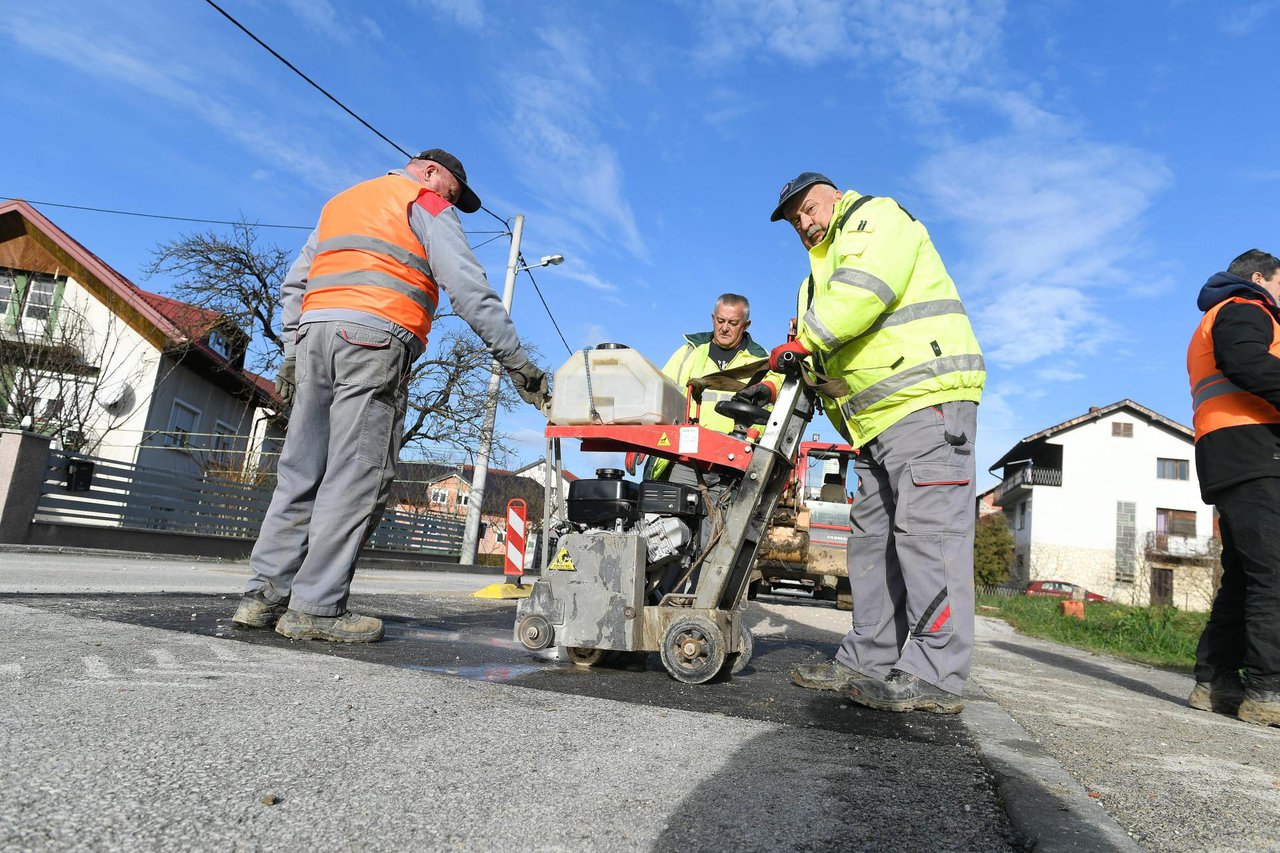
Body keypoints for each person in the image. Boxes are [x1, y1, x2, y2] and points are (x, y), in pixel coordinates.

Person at [231, 149, 548, 643]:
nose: (451, 200)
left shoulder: (343, 202)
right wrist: (518, 363)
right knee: (357, 473)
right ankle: (315, 607)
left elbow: (296, 282)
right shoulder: (423, 201)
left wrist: (292, 349)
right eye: (453, 191)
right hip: (374, 339)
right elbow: (468, 288)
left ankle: (262, 597)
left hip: (314, 339)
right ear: (429, 171)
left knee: (301, 468)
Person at [758, 171, 985, 714]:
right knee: (872, 545)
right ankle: (868, 658)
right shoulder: (818, 271)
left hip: (925, 405)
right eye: (794, 221)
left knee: (929, 539)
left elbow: (863, 294)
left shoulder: (873, 219)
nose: (804, 224)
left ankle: (936, 672)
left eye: (808, 209)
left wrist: (802, 344)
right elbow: (820, 351)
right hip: (873, 425)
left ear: (833, 195)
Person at [1185, 248, 1280, 727]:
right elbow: (1246, 363)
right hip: (1254, 451)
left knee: (1247, 574)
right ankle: (1268, 691)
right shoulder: (1246, 307)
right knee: (1274, 574)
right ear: (1260, 278)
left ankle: (1218, 682)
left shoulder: (1226, 312)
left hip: (1231, 451)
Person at [645, 293, 771, 481]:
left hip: (733, 465)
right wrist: (643, 435)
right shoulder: (687, 354)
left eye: (733, 323)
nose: (725, 328)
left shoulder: (762, 363)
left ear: (746, 325)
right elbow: (657, 396)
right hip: (685, 460)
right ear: (713, 319)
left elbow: (769, 415)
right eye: (720, 321)